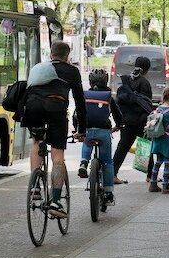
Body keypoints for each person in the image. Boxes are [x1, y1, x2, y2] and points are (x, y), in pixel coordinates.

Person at [23, 41, 86, 218]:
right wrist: (81, 128)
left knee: (36, 141)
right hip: (56, 109)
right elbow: (80, 103)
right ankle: (56, 201)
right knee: (57, 156)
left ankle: (35, 186)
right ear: (67, 56)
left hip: (33, 108)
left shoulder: (38, 68)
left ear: (51, 54)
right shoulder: (72, 71)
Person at [76, 69, 122, 204]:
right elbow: (117, 115)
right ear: (106, 81)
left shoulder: (84, 95)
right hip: (104, 131)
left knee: (87, 141)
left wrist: (79, 130)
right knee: (107, 161)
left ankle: (84, 162)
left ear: (90, 81)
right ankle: (108, 193)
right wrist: (119, 125)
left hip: (88, 130)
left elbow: (77, 114)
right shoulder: (108, 96)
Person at [112, 56, 153, 184]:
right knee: (146, 146)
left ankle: (112, 174)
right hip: (141, 121)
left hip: (127, 120)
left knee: (123, 147)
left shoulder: (126, 80)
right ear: (147, 69)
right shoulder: (145, 83)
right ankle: (150, 176)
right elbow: (147, 104)